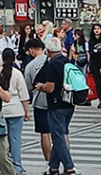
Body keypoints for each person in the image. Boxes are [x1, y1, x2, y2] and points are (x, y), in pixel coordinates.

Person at [35, 38, 76, 175]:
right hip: (69, 102)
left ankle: (69, 167)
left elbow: (50, 88)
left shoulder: (52, 64)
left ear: (48, 50)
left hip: (56, 103)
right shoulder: (67, 61)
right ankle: (53, 167)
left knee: (58, 136)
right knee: (60, 134)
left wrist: (41, 87)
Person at [0, 48, 30, 174]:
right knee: (15, 139)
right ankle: (16, 165)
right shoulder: (17, 73)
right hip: (16, 109)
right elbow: (23, 95)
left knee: (1, 140)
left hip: (1, 110)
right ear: (14, 58)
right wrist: (27, 111)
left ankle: (2, 166)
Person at [23, 38, 51, 163]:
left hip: (40, 101)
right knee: (61, 133)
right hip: (56, 100)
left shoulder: (30, 66)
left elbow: (28, 87)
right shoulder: (52, 60)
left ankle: (49, 162)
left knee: (44, 133)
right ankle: (65, 161)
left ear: (30, 50)